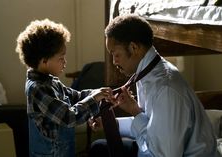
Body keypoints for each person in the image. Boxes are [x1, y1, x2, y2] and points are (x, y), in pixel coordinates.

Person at [88, 15, 220, 157]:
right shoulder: (147, 73)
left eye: (116, 54)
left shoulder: (165, 88)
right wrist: (111, 123)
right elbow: (152, 126)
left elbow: (163, 154)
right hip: (159, 148)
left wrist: (136, 113)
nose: (114, 61)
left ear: (133, 48)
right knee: (99, 147)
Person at [15, 19, 113, 157]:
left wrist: (97, 93)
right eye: (61, 58)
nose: (65, 62)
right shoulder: (37, 89)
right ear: (44, 61)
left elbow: (75, 96)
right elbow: (68, 117)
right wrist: (93, 99)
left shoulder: (51, 81)